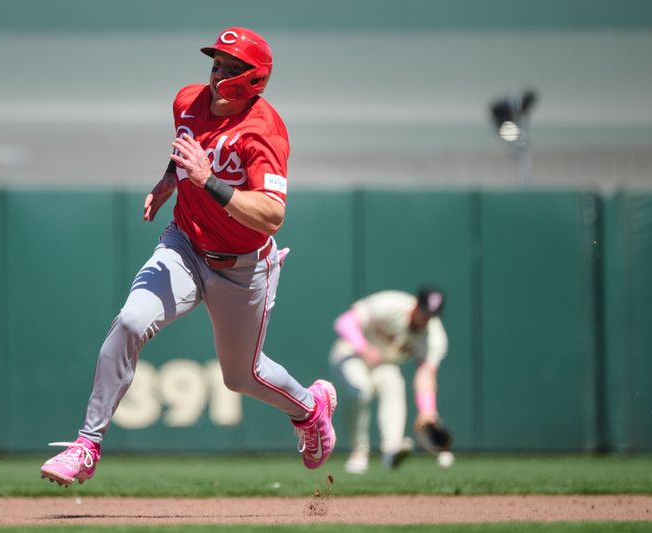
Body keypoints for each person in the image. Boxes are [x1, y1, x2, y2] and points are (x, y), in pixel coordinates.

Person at [40, 27, 337, 487]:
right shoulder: (187, 100)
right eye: (216, 62)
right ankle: (86, 445)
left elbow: (272, 215)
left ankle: (310, 409)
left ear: (254, 79)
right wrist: (169, 181)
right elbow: (188, 148)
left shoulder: (265, 133)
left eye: (231, 66)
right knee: (133, 321)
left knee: (241, 378)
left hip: (243, 267)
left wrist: (205, 181)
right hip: (185, 245)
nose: (218, 72)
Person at [330, 286, 448, 474]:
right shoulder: (392, 304)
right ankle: (358, 453)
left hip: (383, 363)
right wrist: (364, 348)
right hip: (351, 353)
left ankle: (391, 450)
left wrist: (427, 411)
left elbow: (426, 374)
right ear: (417, 304)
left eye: (431, 314)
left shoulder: (434, 336)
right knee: (360, 390)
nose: (426, 318)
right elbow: (343, 323)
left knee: (394, 385)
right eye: (424, 311)